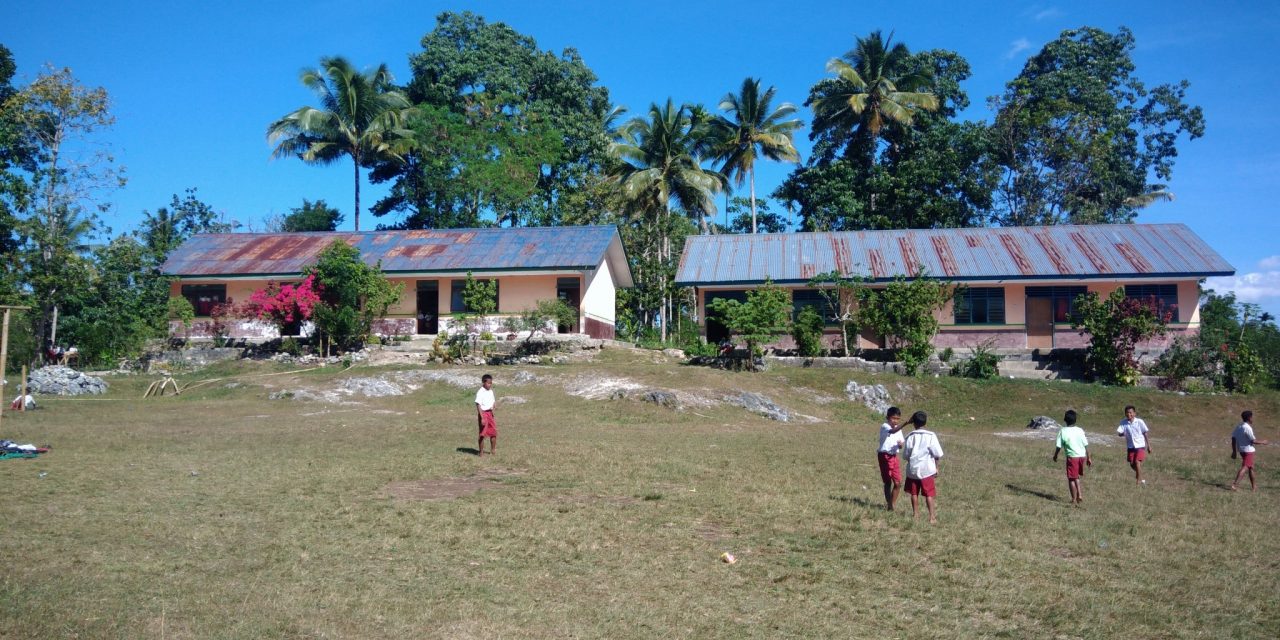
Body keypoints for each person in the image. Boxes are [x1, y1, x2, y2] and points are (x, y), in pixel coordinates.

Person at [902, 411, 944, 523]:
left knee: (914, 493)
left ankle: (916, 514)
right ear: (925, 422)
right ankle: (932, 517)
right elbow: (937, 454)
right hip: (927, 469)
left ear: (913, 423)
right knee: (929, 494)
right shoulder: (931, 436)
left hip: (913, 470)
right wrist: (936, 467)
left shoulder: (910, 436)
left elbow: (906, 455)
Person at [1053, 410, 1091, 505]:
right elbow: (1086, 444)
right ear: (1075, 420)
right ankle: (1080, 494)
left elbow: (1059, 446)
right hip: (1082, 456)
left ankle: (1074, 498)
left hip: (1072, 457)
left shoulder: (1063, 431)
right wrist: (1089, 457)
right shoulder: (1080, 430)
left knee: (1071, 478)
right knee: (1076, 476)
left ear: (1065, 420)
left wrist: (1055, 455)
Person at [876, 407, 906, 511]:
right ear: (887, 418)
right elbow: (892, 431)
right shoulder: (885, 426)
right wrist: (906, 423)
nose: (895, 421)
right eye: (893, 418)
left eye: (898, 419)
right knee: (888, 482)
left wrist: (900, 445)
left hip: (894, 456)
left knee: (898, 483)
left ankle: (891, 504)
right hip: (884, 455)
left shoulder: (898, 428)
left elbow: (901, 442)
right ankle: (890, 505)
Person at [1231, 410, 1269, 492]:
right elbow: (1253, 441)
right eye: (1252, 417)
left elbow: (1233, 438)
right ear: (1249, 418)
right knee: (1245, 467)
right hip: (1248, 451)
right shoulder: (1247, 428)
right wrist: (1263, 442)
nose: (1253, 419)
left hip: (1241, 450)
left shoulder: (1239, 426)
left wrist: (1234, 451)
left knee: (1251, 467)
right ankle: (1235, 484)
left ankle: (1254, 487)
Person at [1116, 405, 1151, 485]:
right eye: (1127, 413)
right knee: (1132, 464)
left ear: (1134, 413)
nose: (1129, 414)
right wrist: (1122, 434)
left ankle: (1138, 482)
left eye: (1131, 413)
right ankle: (1141, 477)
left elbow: (1145, 433)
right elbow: (1119, 433)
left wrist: (1149, 445)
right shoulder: (1123, 422)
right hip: (1131, 446)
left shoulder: (1139, 422)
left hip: (1140, 445)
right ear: (1125, 414)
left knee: (1137, 461)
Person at [475, 373, 497, 455]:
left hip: (490, 413)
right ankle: (481, 452)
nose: (489, 385)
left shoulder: (490, 391)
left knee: (493, 432)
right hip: (483, 413)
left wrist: (494, 404)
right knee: (482, 433)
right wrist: (482, 417)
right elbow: (478, 404)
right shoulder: (480, 392)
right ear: (483, 382)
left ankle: (493, 450)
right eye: (488, 383)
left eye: (491, 383)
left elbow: (493, 400)